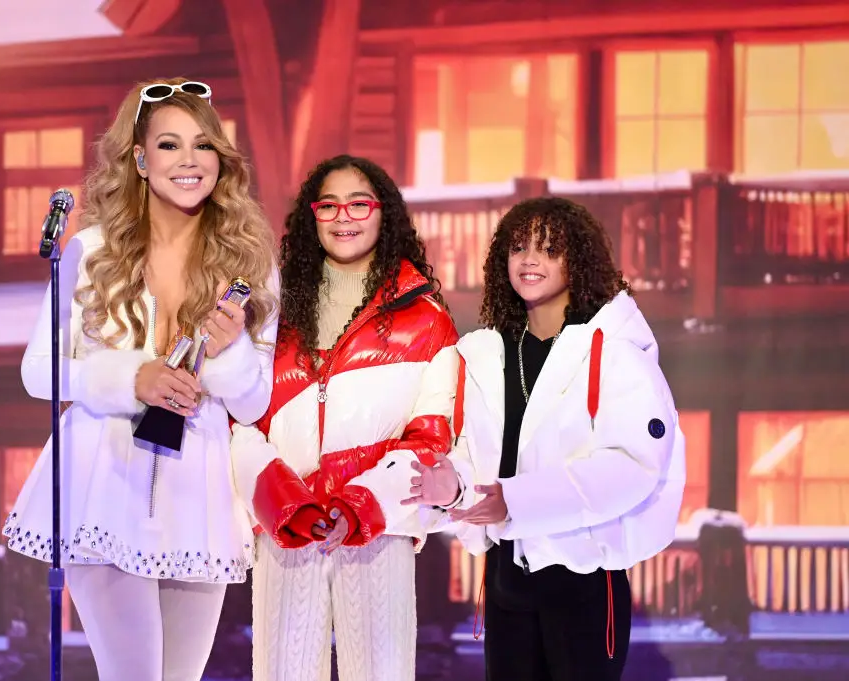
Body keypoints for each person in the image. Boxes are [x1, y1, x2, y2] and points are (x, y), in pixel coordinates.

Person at [2, 78, 279, 681]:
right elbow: (37, 370)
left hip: (197, 495)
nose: (188, 161)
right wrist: (133, 377)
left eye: (203, 146)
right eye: (170, 145)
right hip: (104, 484)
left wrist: (231, 353)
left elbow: (256, 404)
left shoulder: (251, 264)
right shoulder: (90, 249)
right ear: (139, 158)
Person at [411, 196, 685, 681]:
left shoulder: (616, 353)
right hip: (504, 583)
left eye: (549, 248)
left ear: (576, 261)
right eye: (518, 247)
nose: (530, 259)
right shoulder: (485, 355)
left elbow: (632, 465)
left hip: (582, 582)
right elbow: (474, 456)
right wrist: (451, 486)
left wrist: (516, 500)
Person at [229, 155, 460, 681]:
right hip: (287, 527)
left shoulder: (427, 319)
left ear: (384, 214)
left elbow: (430, 438)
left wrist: (360, 508)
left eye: (360, 203)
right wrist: (286, 505)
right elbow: (238, 423)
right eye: (328, 205)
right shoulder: (272, 309)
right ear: (312, 216)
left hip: (379, 528)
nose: (343, 216)